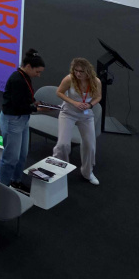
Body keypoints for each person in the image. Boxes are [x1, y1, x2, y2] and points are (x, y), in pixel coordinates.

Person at [0, 49, 45, 189]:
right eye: (38, 72)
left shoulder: (25, 76)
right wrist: (38, 109)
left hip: (22, 120)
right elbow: (19, 106)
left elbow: (25, 97)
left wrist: (34, 101)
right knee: (10, 158)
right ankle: (1, 187)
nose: (39, 75)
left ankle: (15, 181)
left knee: (22, 155)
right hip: (13, 120)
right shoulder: (17, 79)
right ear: (29, 66)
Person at [54, 57, 101, 185]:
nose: (78, 74)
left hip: (86, 115)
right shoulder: (69, 78)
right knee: (63, 144)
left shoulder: (95, 81)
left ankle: (87, 172)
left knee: (90, 145)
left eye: (81, 71)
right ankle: (59, 168)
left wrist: (90, 105)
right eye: (76, 70)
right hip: (68, 113)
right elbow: (59, 92)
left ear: (88, 72)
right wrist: (74, 102)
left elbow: (98, 96)